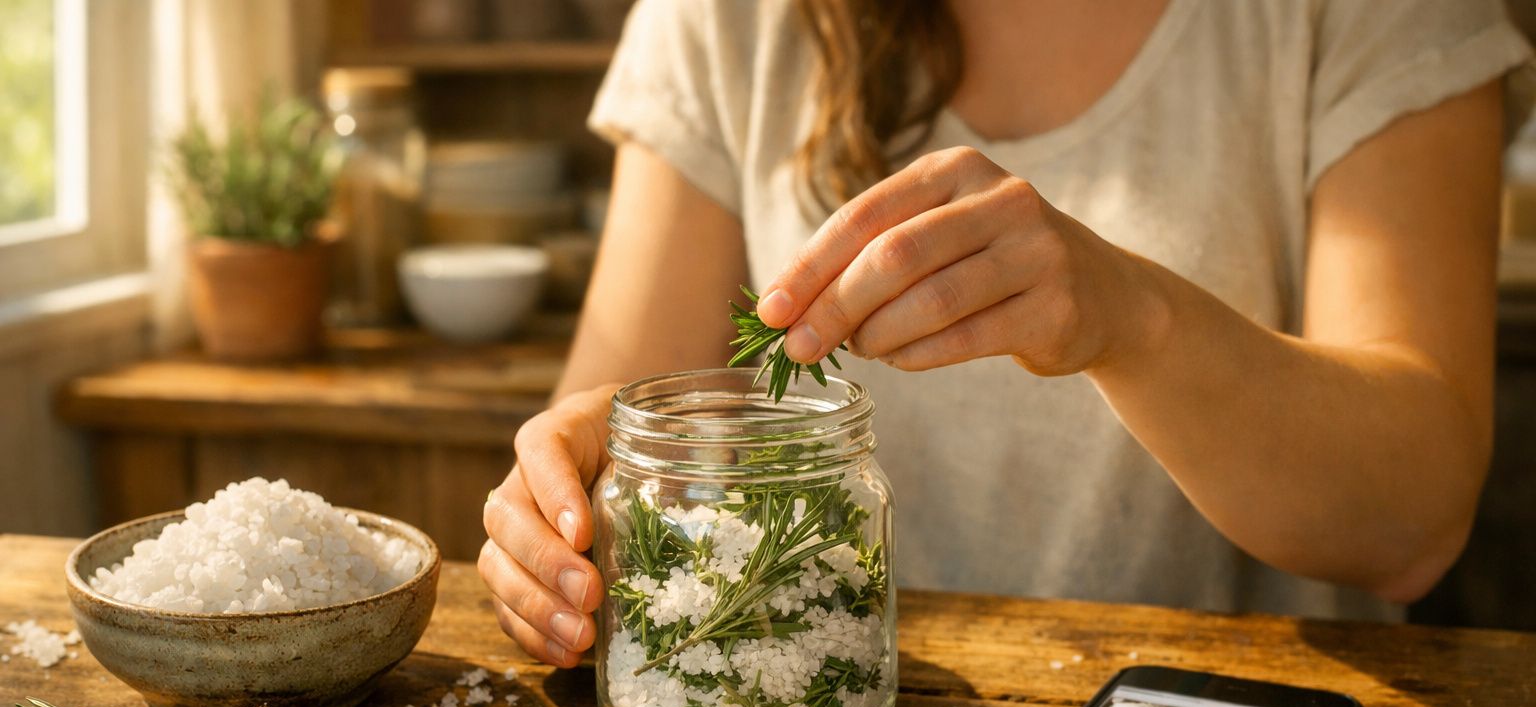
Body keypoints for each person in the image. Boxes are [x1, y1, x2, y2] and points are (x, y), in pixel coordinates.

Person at [481, 0, 1533, 669]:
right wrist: (562, 515)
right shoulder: (727, 17)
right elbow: (624, 424)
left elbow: (1412, 520)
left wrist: (1129, 317)